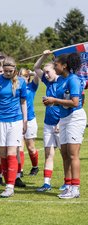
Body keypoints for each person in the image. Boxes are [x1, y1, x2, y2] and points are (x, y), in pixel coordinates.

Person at [42, 52, 86, 199]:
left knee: (73, 154)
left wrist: (54, 100)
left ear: (65, 66)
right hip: (64, 118)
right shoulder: (60, 79)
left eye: (56, 64)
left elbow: (74, 102)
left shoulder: (73, 79)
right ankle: (68, 185)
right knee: (65, 153)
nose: (55, 66)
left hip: (75, 118)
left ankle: (75, 188)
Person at [0, 57, 27, 198]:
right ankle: (7, 182)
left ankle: (10, 186)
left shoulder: (21, 82)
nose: (8, 73)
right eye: (5, 71)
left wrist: (25, 120)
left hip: (15, 121)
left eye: (11, 71)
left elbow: (23, 102)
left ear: (15, 69)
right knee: (3, 153)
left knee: (11, 152)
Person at [34, 50, 61, 192]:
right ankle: (46, 183)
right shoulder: (47, 82)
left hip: (61, 124)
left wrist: (60, 123)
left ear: (55, 71)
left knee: (66, 156)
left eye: (48, 72)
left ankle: (68, 183)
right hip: (48, 124)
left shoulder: (63, 82)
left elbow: (69, 105)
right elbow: (36, 68)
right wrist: (44, 55)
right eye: (45, 72)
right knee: (48, 154)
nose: (45, 74)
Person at [18, 68, 39, 177]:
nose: (22, 78)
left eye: (25, 76)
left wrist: (30, 73)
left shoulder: (32, 86)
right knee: (19, 147)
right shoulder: (16, 87)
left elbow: (37, 75)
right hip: (18, 120)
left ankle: (35, 167)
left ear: (28, 77)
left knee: (30, 148)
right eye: (20, 75)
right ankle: (20, 170)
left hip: (30, 120)